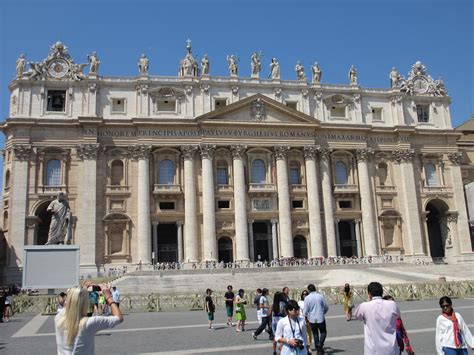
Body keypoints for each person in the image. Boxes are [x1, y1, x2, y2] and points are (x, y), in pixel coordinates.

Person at [54, 283, 123, 354]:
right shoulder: (89, 323)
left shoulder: (58, 318)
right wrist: (109, 297)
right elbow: (119, 318)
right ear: (85, 302)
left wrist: (79, 292)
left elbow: (69, 304)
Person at [353, 282, 400, 355]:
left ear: (369, 294)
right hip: (391, 349)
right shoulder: (392, 304)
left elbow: (357, 316)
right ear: (382, 292)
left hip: (373, 350)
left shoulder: (365, 306)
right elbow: (398, 316)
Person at [303, 284, 329, 355]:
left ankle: (318, 349)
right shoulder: (320, 296)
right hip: (321, 318)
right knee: (323, 332)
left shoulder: (307, 298)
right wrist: (323, 312)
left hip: (312, 319)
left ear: (309, 290)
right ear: (315, 289)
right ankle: (320, 345)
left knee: (315, 334)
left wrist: (306, 317)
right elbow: (326, 307)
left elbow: (305, 311)